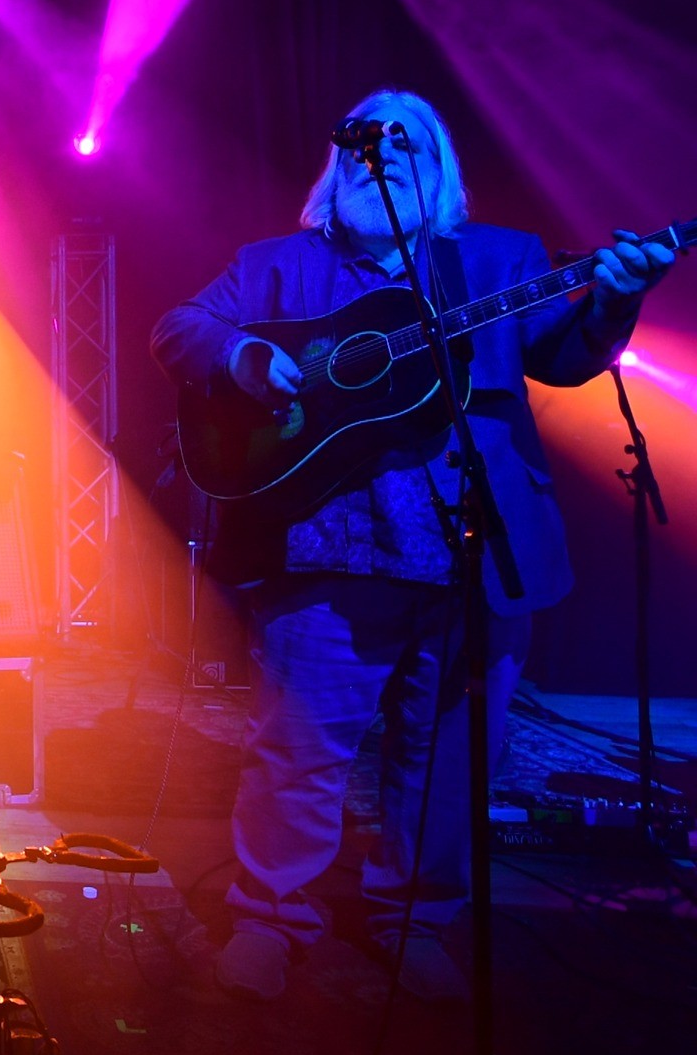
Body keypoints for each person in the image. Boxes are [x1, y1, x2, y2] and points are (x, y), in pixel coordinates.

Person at [151, 87, 676, 1003]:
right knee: (300, 751)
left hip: (476, 550)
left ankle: (416, 919)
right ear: (335, 168)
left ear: (440, 168)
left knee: (449, 760)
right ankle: (269, 916)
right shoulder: (277, 266)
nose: (385, 153)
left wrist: (614, 302)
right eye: (368, 143)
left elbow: (565, 354)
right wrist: (244, 359)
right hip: (325, 551)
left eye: (409, 141)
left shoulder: (498, 260)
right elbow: (179, 328)